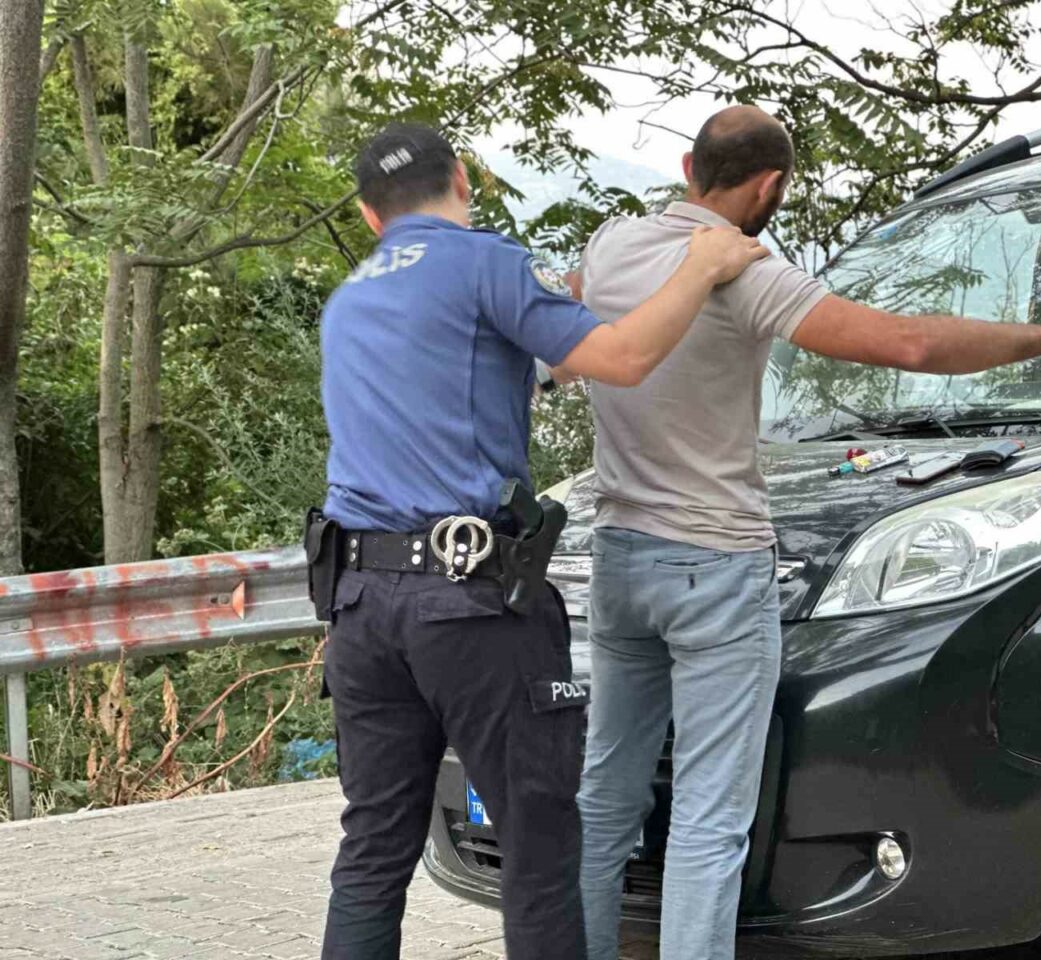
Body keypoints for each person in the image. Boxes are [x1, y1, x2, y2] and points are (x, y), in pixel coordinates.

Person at [571, 105, 1041, 960]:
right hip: (714, 568)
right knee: (708, 816)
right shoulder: (741, 270)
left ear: (688, 166)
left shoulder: (611, 247)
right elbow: (908, 345)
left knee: (604, 799)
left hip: (619, 561)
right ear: (769, 187)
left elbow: (569, 324)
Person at [311, 121, 768, 960]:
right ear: (464, 179)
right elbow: (623, 359)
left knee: (373, 850)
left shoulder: (353, 299)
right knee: (539, 843)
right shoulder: (484, 262)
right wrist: (704, 261)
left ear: (373, 219)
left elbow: (510, 370)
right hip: (469, 605)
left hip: (359, 608)